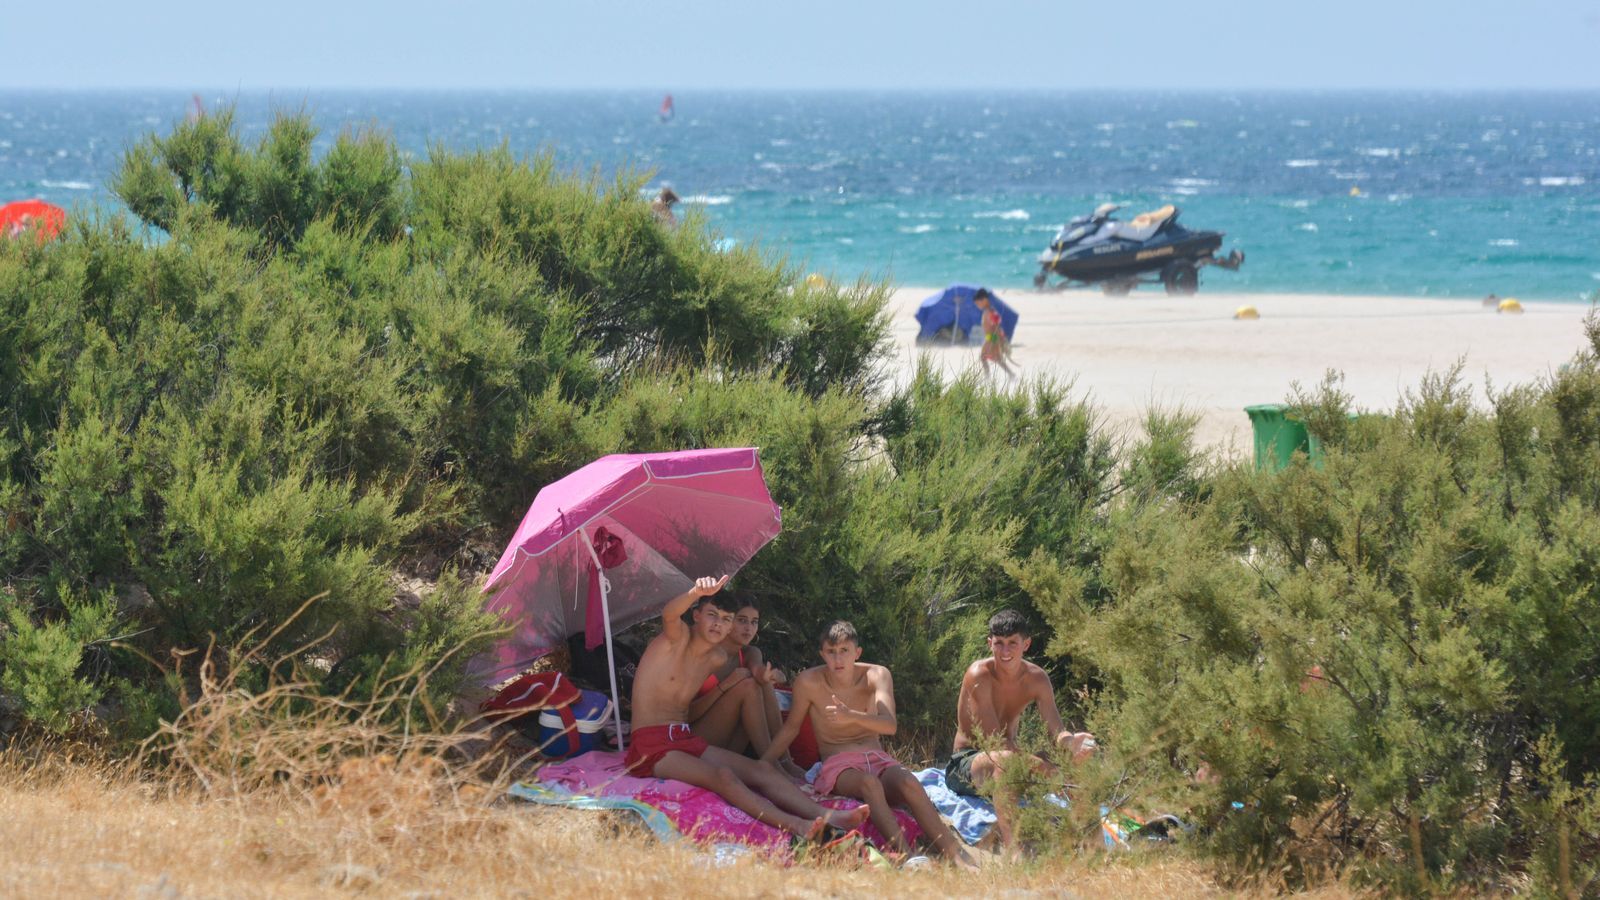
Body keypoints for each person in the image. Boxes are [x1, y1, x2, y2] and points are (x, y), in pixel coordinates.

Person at [627, 575, 870, 840]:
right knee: (724, 776)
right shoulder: (678, 639)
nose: (718, 624)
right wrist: (695, 591)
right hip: (652, 745)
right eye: (712, 615)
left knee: (761, 769)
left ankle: (828, 815)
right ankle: (797, 825)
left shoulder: (716, 657)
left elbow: (689, 710)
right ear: (696, 615)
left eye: (726, 619)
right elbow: (670, 614)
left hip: (685, 736)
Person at [764, 621, 976, 868]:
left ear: (857, 652)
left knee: (909, 781)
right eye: (831, 652)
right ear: (822, 654)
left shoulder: (877, 675)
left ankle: (957, 856)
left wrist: (851, 715)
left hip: (878, 758)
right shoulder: (809, 681)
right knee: (869, 783)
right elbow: (791, 728)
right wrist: (765, 762)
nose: (838, 658)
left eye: (844, 651)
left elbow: (889, 725)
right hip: (838, 763)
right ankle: (908, 858)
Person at [946, 609, 1095, 854]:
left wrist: (1072, 743)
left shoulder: (1037, 678)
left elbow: (1056, 730)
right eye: (999, 644)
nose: (1005, 652)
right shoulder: (978, 675)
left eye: (1012, 643)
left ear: (1026, 644)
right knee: (1005, 761)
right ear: (989, 643)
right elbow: (996, 744)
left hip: (1012, 756)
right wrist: (1052, 774)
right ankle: (1016, 852)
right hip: (968, 763)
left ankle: (1096, 844)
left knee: (1084, 748)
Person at [686, 599, 794, 772]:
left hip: (730, 745)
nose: (749, 628)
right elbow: (686, 715)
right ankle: (772, 767)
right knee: (748, 686)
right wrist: (725, 686)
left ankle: (784, 760)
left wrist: (770, 676)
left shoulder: (750, 652)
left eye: (754, 622)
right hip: (695, 739)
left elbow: (757, 670)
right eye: (742, 620)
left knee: (760, 683)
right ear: (728, 622)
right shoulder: (705, 655)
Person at [973, 289, 1016, 379]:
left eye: (978, 303)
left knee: (983, 357)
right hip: (991, 337)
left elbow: (996, 327)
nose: (977, 306)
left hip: (991, 338)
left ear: (984, 300)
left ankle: (987, 377)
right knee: (997, 358)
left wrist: (994, 342)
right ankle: (1010, 374)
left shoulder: (990, 312)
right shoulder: (989, 311)